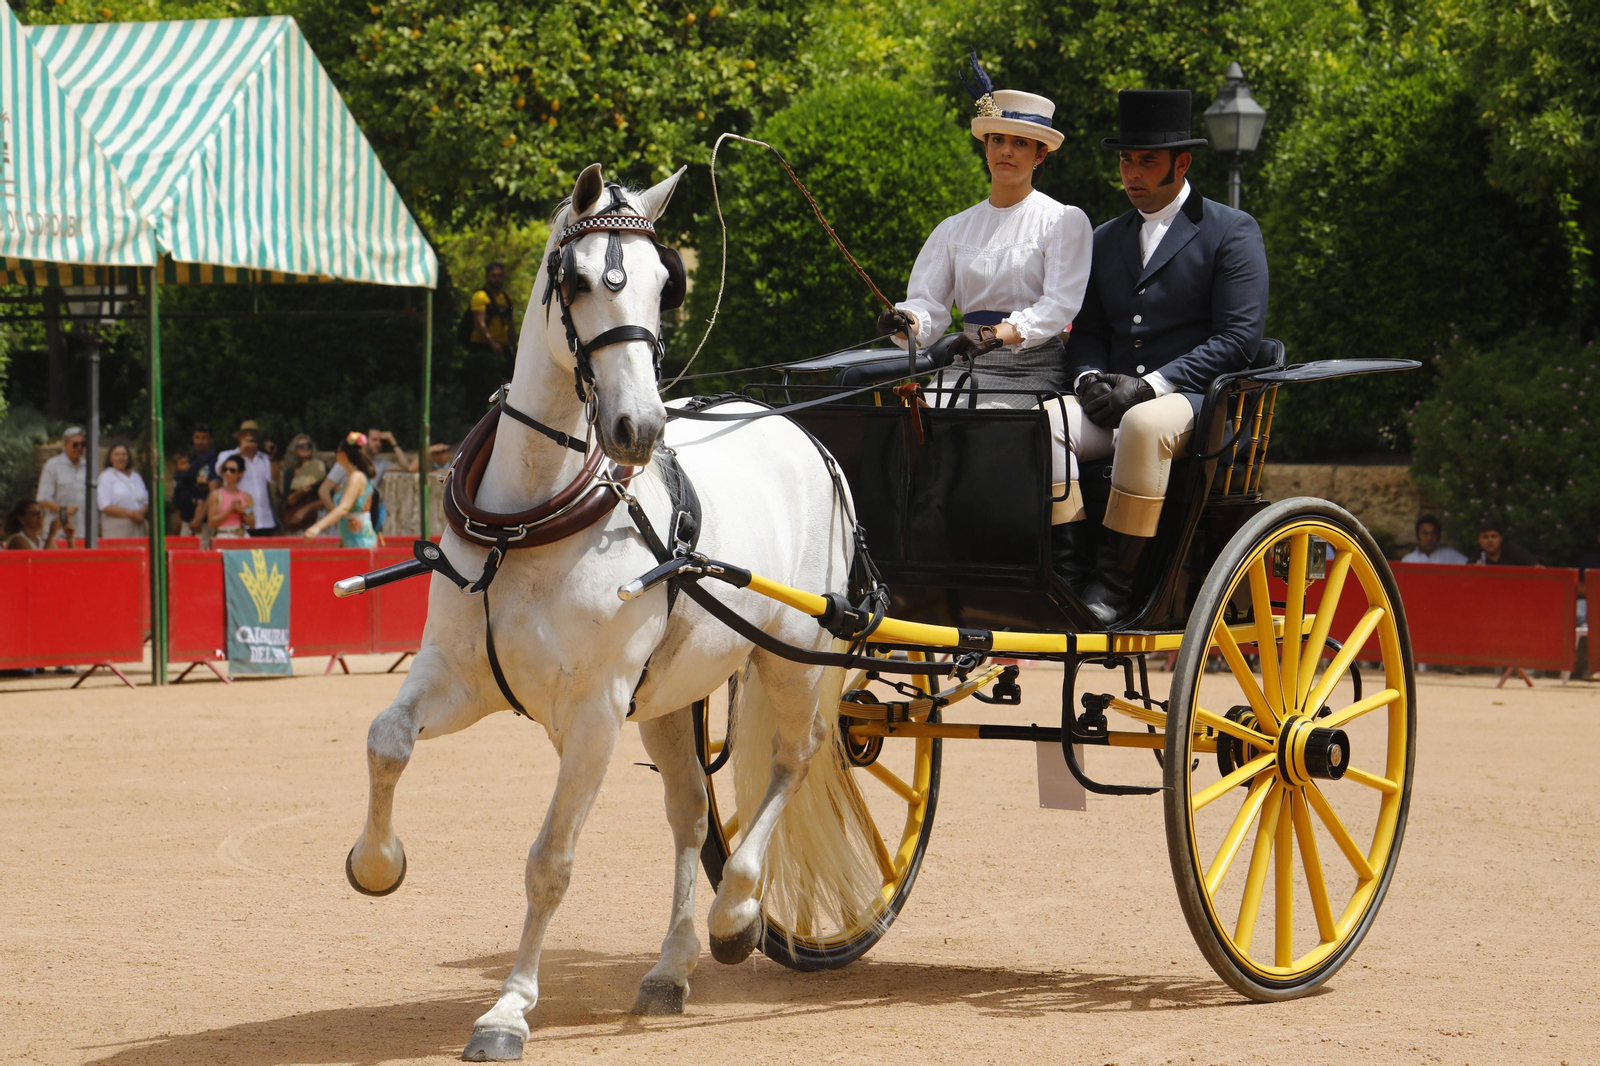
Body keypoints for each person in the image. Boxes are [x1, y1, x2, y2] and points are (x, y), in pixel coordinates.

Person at [1050, 88, 1270, 623]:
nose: (1132, 173)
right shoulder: (1105, 238)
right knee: (1045, 422)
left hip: (1196, 402)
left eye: (1147, 161)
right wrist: (1087, 380)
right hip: (1116, 398)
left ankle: (1113, 586)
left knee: (1145, 426)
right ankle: (1067, 574)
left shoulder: (1231, 231)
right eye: (1127, 160)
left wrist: (1149, 387)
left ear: (1183, 162)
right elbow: (1089, 331)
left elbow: (1238, 338)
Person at [879, 51, 1092, 411]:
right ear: (986, 146)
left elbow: (1058, 305)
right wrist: (906, 321)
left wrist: (995, 337)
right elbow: (928, 304)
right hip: (966, 365)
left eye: (1020, 143)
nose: (1006, 151)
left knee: (987, 429)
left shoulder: (1062, 221)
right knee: (916, 421)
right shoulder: (954, 228)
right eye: (998, 140)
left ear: (1040, 155)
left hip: (1033, 371)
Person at [305, 433, 377, 547]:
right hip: (349, 539)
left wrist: (318, 526)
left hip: (360, 540)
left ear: (343, 454)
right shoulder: (351, 477)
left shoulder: (356, 477)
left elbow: (344, 508)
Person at [212, 421, 278, 534]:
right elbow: (220, 470)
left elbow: (274, 478)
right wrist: (241, 451)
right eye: (247, 435)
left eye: (254, 436)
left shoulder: (264, 458)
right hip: (239, 520)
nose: (251, 438)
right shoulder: (227, 455)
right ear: (240, 438)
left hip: (265, 519)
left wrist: (272, 457)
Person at [35, 426, 86, 544]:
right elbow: (43, 498)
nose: (79, 448)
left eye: (82, 444)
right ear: (65, 445)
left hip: (83, 531)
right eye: (75, 444)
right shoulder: (53, 466)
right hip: (58, 534)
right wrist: (64, 510)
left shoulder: (89, 466)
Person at [96, 442, 149, 538]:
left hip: (138, 528)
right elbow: (104, 505)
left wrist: (141, 513)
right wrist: (131, 514)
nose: (121, 458)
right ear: (110, 458)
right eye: (117, 454)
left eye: (124, 454)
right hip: (117, 529)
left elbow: (146, 501)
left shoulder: (136, 476)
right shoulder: (106, 476)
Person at [172, 423, 217, 535]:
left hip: (203, 522)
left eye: (204, 438)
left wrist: (198, 519)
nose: (200, 441)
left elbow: (213, 492)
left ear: (211, 440)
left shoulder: (213, 462)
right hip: (187, 519)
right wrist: (179, 517)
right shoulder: (190, 461)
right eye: (197, 437)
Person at [278, 434, 327, 532]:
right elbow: (288, 500)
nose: (305, 448)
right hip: (295, 518)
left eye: (308, 445)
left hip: (319, 515)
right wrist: (299, 492)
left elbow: (330, 495)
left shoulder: (321, 468)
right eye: (301, 446)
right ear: (294, 450)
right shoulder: (290, 472)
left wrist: (307, 509)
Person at [467, 262, 516, 359]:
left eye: (500, 276)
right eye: (494, 276)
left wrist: (514, 346)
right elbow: (479, 323)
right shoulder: (480, 296)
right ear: (487, 277)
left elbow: (510, 324)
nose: (497, 279)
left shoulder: (505, 298)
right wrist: (492, 343)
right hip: (482, 346)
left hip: (502, 346)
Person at [207, 455, 255, 538]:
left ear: (240, 474)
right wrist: (229, 510)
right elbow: (211, 522)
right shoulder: (216, 495)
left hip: (241, 535)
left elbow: (252, 523)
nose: (227, 473)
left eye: (232, 470)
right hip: (223, 535)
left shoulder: (247, 497)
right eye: (225, 469)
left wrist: (241, 510)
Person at [1400, 514, 1468, 564]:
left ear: (1438, 536)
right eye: (1425, 534)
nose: (1429, 538)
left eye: (1433, 533)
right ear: (1418, 536)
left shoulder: (1450, 556)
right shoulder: (1408, 560)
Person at [1470, 519, 1537, 567]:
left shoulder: (1515, 552)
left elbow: (1539, 570)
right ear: (1479, 540)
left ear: (1501, 538)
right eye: (1485, 537)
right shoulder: (1477, 557)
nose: (1489, 540)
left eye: (1494, 536)